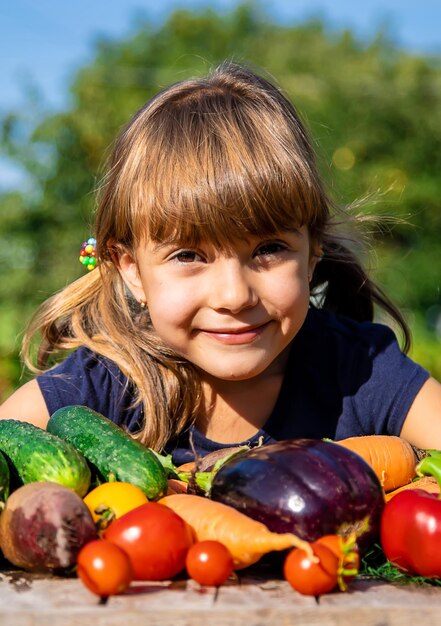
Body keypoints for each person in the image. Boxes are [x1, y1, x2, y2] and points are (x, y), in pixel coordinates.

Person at [1, 61, 440, 466]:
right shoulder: (98, 388)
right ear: (131, 269)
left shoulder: (364, 369)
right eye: (188, 256)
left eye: (268, 249)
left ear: (312, 253)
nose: (234, 296)